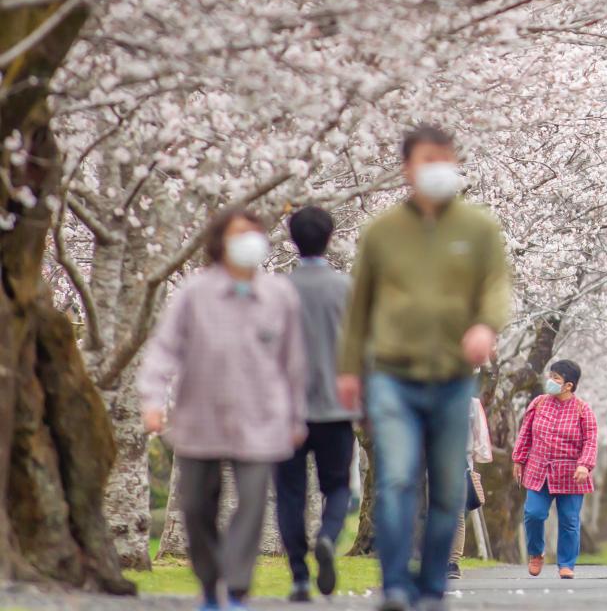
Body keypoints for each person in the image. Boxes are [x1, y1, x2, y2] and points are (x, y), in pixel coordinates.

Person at [337, 124, 511, 611]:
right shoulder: (382, 232)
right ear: (407, 168)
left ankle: (433, 585)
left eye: (446, 158)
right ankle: (394, 583)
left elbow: (496, 287)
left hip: (453, 378)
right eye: (427, 159)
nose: (438, 168)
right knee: (396, 478)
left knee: (447, 484)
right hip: (392, 374)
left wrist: (485, 325)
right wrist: (350, 371)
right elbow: (359, 308)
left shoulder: (478, 229)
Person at [139, 210, 307, 611]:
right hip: (200, 417)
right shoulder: (195, 294)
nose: (249, 241)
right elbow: (164, 349)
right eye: (239, 234)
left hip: (262, 418)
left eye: (254, 233)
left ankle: (236, 587)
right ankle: (209, 579)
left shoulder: (280, 296)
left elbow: (295, 364)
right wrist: (152, 399)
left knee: (251, 501)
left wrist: (296, 416)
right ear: (220, 242)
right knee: (197, 505)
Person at [274, 205, 356, 603]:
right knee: (338, 486)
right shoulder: (346, 289)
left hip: (287, 409)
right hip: (336, 408)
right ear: (330, 238)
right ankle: (327, 536)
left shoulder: (277, 290)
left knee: (289, 493)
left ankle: (299, 577)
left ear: (292, 238)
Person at [514, 359, 598, 579]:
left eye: (556, 378)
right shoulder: (539, 403)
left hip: (571, 475)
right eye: (550, 376)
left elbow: (590, 440)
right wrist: (518, 459)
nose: (550, 381)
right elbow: (525, 434)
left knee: (570, 520)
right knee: (533, 513)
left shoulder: (582, 409)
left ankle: (566, 564)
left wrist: (584, 465)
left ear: (568, 385)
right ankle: (536, 553)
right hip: (539, 471)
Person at [447, 396, 493, 579]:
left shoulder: (471, 403)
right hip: (429, 462)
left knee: (456, 513)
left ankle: (452, 562)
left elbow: (480, 437)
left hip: (460, 462)